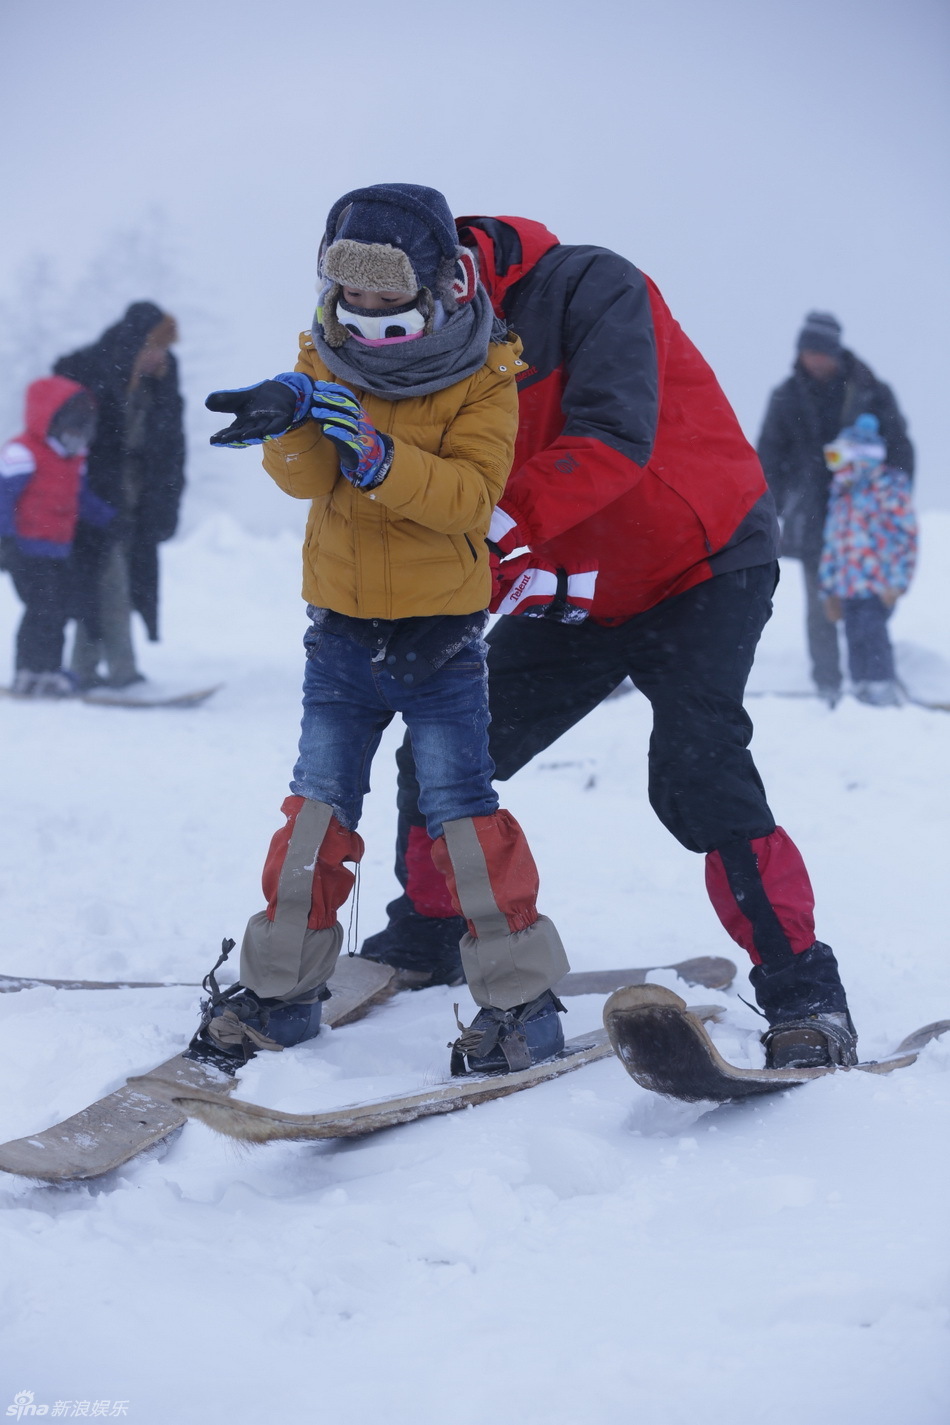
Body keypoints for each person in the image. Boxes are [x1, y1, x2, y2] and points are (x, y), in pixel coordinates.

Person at [360, 215, 859, 1072]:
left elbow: (610, 439)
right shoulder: (407, 338)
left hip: (702, 562)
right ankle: (431, 926)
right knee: (447, 744)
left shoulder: (592, 287)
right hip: (580, 584)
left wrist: (483, 545)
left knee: (697, 763)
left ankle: (804, 987)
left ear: (453, 278)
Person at [191, 184, 570, 1075]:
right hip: (340, 635)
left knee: (462, 817)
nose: (361, 304)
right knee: (315, 812)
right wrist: (289, 427)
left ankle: (521, 1004)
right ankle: (280, 993)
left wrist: (380, 457)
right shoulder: (320, 351)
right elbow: (303, 480)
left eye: (382, 285)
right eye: (345, 283)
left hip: (438, 640)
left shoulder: (486, 373)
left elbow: (471, 499)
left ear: (437, 280)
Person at [757, 311, 914, 705]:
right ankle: (828, 686)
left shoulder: (871, 390)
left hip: (867, 518)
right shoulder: (786, 396)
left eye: (821, 351)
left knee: (870, 603)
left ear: (836, 351)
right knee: (821, 607)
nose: (815, 358)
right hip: (813, 519)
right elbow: (768, 457)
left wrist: (893, 493)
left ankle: (873, 678)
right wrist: (769, 506)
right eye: (808, 351)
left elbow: (900, 447)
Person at [53, 302, 185, 689]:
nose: (160, 357)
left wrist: (166, 502)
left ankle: (84, 668)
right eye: (154, 348)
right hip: (94, 500)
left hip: (138, 500)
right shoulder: (92, 369)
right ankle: (121, 671)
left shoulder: (162, 378)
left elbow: (171, 445)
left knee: (117, 584)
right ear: (135, 344)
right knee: (107, 583)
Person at [0, 376, 113, 695]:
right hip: (24, 549)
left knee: (60, 609)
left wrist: (109, 520)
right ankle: (27, 670)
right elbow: (2, 498)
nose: (77, 438)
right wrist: (4, 540)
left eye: (83, 431)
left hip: (58, 550)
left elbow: (80, 498)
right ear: (50, 421)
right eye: (72, 429)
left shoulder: (74, 460)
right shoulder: (21, 452)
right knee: (42, 608)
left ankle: (48, 671)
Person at [819, 413, 917, 707]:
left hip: (877, 584)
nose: (835, 464)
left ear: (861, 458)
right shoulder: (841, 494)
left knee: (871, 635)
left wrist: (898, 583)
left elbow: (905, 539)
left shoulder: (889, 489)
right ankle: (861, 690)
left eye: (839, 456)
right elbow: (832, 544)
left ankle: (881, 690)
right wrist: (828, 589)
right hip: (847, 586)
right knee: (853, 638)